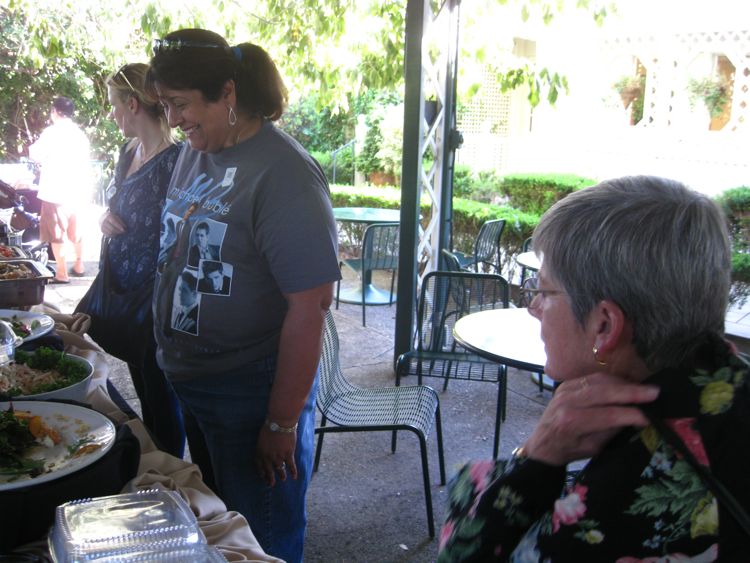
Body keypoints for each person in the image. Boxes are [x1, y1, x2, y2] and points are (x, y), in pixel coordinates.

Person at [437, 176, 750, 561]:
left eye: (543, 290)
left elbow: (465, 553)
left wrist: (537, 458)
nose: (533, 307)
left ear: (604, 325)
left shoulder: (627, 497)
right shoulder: (727, 388)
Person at [147, 28, 340, 563]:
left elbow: (310, 307)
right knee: (218, 529)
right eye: (166, 106)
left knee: (263, 539)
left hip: (250, 393)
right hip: (195, 383)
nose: (174, 119)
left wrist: (280, 423)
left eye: (181, 104)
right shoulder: (197, 151)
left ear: (227, 94)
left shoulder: (285, 176)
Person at [95, 63, 185, 458]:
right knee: (143, 385)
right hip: (122, 288)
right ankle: (157, 468)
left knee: (163, 395)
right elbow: (116, 204)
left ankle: (174, 478)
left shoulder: (177, 161)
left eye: (114, 104)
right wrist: (104, 218)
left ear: (132, 104)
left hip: (155, 298)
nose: (111, 114)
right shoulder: (127, 150)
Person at [28, 96, 91, 283]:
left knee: (57, 234)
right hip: (79, 190)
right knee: (77, 230)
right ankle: (79, 265)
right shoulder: (80, 134)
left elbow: (35, 154)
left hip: (55, 191)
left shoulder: (51, 133)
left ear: (55, 111)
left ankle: (62, 273)